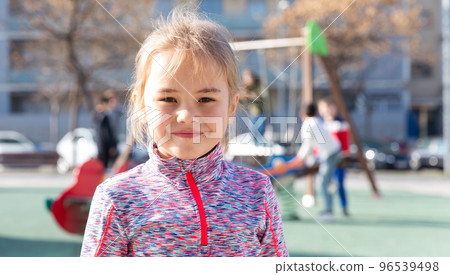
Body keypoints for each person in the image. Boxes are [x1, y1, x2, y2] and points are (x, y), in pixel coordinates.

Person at [80, 8, 288, 257]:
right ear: (141, 105)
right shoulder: (117, 198)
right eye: (168, 98)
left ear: (231, 106)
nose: (187, 116)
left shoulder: (257, 191)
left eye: (206, 98)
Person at [262, 103, 341, 222]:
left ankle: (329, 211)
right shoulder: (317, 121)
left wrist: (292, 163)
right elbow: (314, 145)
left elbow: (306, 148)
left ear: (302, 114)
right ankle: (329, 208)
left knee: (324, 181)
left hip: (330, 154)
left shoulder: (308, 124)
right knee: (325, 180)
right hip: (332, 150)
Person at [318, 97, 350, 217]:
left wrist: (342, 158)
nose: (327, 111)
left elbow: (345, 145)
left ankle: (344, 206)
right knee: (325, 183)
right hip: (325, 158)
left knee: (339, 184)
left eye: (329, 108)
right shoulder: (321, 125)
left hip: (338, 160)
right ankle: (328, 207)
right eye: (324, 108)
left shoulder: (341, 124)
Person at [93, 96, 118, 169]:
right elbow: (104, 133)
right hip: (102, 147)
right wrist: (111, 145)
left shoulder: (105, 116)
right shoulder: (99, 116)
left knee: (106, 167)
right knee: (102, 167)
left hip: (106, 147)